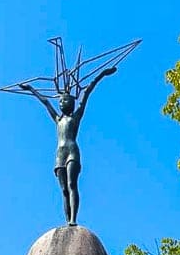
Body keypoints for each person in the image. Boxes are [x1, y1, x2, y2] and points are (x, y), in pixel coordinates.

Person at [18, 66, 117, 225]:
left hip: (72, 152)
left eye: (66, 100)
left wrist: (102, 74)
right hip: (60, 155)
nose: (63, 102)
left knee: (72, 184)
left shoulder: (76, 117)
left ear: (72, 102)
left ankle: (73, 220)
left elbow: (87, 92)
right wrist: (30, 88)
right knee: (64, 190)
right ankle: (67, 220)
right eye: (61, 100)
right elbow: (45, 102)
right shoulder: (58, 119)